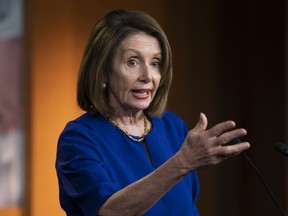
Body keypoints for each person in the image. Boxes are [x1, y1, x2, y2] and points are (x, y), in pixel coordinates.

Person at [55, 9, 250, 216]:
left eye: (155, 63)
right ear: (102, 71)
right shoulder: (78, 139)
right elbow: (108, 211)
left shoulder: (173, 127)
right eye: (133, 62)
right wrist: (183, 163)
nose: (148, 76)